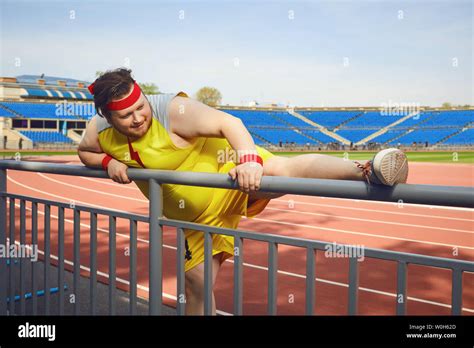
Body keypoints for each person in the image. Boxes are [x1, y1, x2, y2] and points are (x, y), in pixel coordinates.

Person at [77, 68, 409, 315]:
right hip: (198, 219)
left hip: (230, 175)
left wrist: (248, 160)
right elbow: (85, 152)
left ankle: (367, 169)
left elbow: (230, 123)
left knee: (278, 170)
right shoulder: (100, 130)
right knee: (195, 286)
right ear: (107, 116)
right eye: (126, 115)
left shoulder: (172, 111)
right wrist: (107, 162)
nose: (138, 118)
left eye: (141, 107)